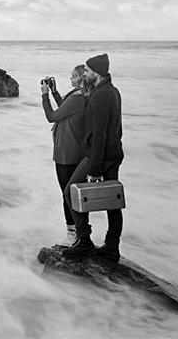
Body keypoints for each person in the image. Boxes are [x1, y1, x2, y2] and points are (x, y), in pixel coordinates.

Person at [62, 53, 124, 262]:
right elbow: (116, 129)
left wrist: (95, 170)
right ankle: (111, 247)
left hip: (100, 156)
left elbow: (99, 135)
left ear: (96, 73)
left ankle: (85, 242)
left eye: (87, 71)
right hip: (114, 154)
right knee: (112, 202)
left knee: (70, 192)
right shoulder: (112, 91)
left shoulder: (100, 96)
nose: (84, 74)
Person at [41, 65, 89, 243]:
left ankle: (73, 234)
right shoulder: (80, 95)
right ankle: (79, 232)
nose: (71, 79)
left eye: (73, 76)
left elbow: (52, 116)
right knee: (74, 194)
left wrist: (45, 94)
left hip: (67, 153)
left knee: (67, 195)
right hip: (75, 150)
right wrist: (55, 92)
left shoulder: (77, 98)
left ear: (81, 79)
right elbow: (65, 110)